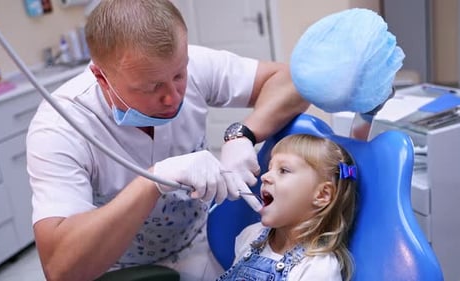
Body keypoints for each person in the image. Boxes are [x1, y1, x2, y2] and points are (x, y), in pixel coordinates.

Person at [26, 0, 309, 280]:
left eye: (179, 75)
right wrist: (152, 181)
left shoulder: (189, 64)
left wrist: (242, 134)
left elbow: (294, 82)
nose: (173, 97)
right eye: (152, 87)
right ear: (101, 77)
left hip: (202, 240)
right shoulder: (60, 126)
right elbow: (60, 268)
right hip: (122, 266)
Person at [217, 134, 357, 281]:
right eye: (269, 168)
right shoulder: (251, 235)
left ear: (322, 195)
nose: (265, 176)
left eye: (283, 170)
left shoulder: (319, 269)